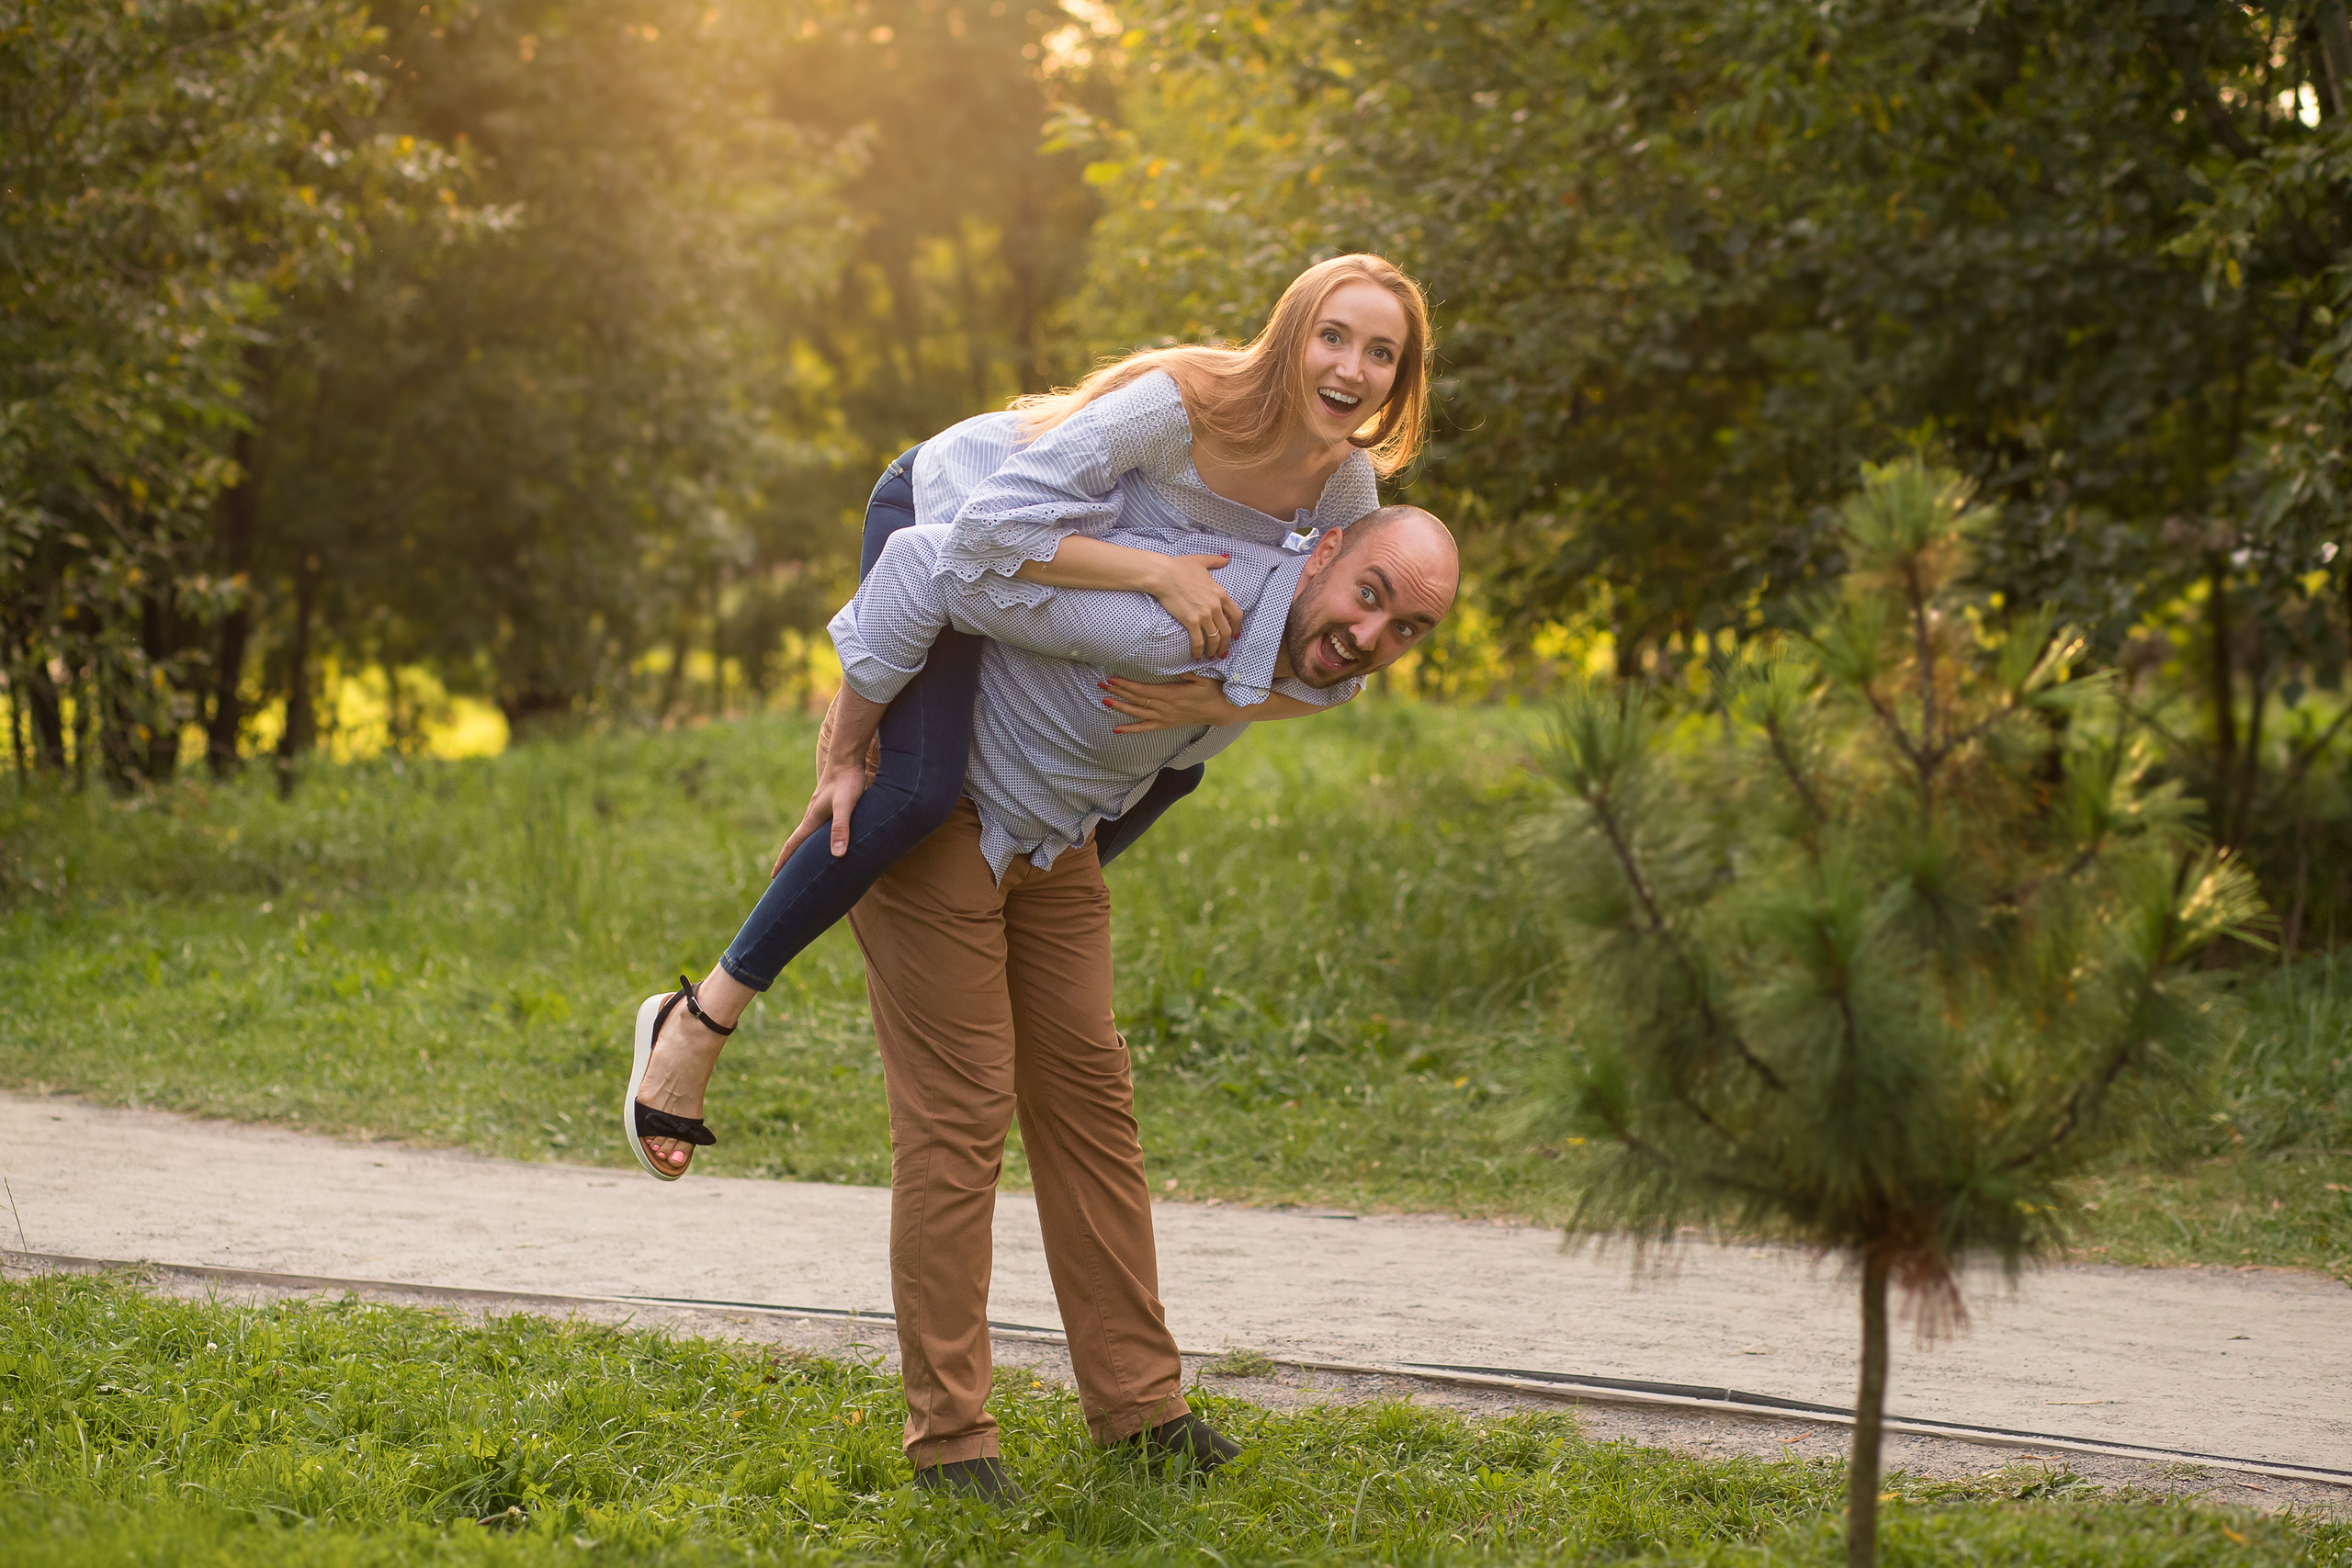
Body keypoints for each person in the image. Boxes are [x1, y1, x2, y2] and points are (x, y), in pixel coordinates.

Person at [625, 254, 1434, 1179]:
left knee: (1179, 763)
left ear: (1398, 380)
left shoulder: (1345, 490)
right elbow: (972, 543)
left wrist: (1207, 700)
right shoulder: (1181, 403)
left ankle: (997, 905)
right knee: (914, 791)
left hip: (1056, 582)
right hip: (954, 518)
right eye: (1334, 336)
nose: (1351, 368)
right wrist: (844, 744)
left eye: (1380, 353)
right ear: (1292, 335)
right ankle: (699, 1019)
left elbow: (1332, 668)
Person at [804, 500, 1460, 1498]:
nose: (1371, 639)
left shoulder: (1308, 678)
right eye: (1370, 598)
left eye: (1407, 629)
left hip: (1054, 844)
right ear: (1323, 554)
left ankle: (1141, 1413)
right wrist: (847, 752)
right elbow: (929, 565)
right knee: (960, 1115)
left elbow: (1169, 778)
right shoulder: (1185, 607)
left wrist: (1067, 859)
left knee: (1093, 1111)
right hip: (941, 813)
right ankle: (950, 1442)